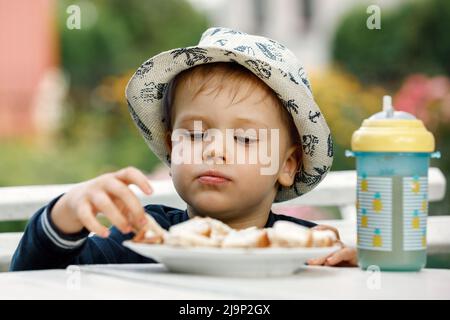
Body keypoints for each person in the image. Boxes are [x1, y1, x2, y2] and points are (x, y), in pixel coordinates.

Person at [10, 27, 357, 271]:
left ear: (287, 165)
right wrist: (63, 216)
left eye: (245, 139)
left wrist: (352, 268)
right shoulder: (142, 240)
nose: (213, 151)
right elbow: (37, 276)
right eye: (193, 134)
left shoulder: (306, 249)